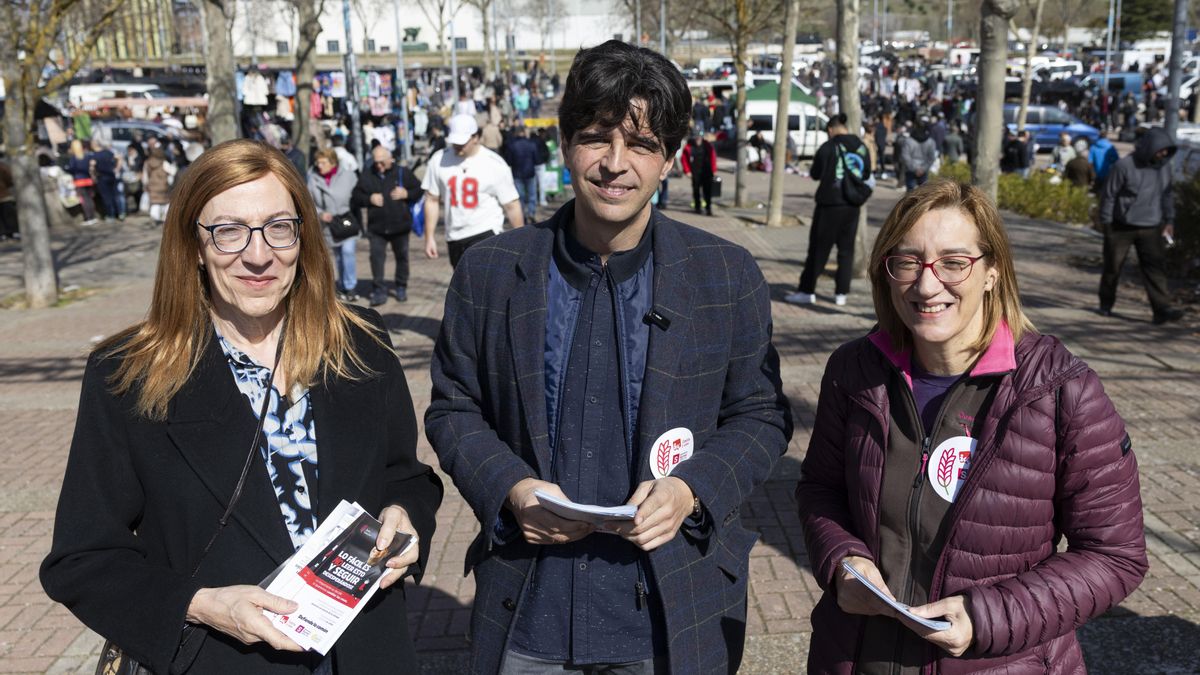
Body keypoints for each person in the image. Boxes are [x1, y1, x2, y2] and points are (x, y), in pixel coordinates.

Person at [425, 40, 792, 675]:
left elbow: (761, 415)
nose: (615, 164)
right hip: (529, 612)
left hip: (670, 614)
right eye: (597, 137)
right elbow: (453, 408)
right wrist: (509, 487)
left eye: (642, 145)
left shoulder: (725, 275)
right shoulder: (489, 271)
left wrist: (692, 490)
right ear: (565, 143)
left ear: (670, 159)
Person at [40, 139, 443, 674]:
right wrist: (200, 605)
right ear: (193, 245)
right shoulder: (128, 375)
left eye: (279, 227)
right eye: (229, 231)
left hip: (368, 654)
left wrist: (407, 518)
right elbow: (83, 559)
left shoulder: (360, 340)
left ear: (303, 235)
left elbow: (404, 477)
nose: (258, 255)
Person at [797, 179, 1148, 674]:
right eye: (907, 261)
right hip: (855, 657)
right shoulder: (854, 371)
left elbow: (1116, 554)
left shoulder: (1060, 389)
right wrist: (841, 560)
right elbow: (820, 489)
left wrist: (988, 617)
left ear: (991, 272)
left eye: (953, 262)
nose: (926, 285)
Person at [1098, 127, 1184, 324]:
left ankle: (1162, 309)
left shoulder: (1163, 169)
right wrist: (1106, 223)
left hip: (1151, 226)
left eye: (1166, 151)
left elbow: (1167, 195)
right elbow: (1108, 196)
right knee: (1112, 267)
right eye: (1160, 149)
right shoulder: (1124, 166)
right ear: (1150, 147)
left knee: (1155, 269)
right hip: (1121, 226)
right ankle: (1106, 304)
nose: (1163, 154)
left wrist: (1169, 220)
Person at [785, 113, 872, 307]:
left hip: (829, 205)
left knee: (818, 249)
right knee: (846, 250)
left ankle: (807, 290)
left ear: (831, 130)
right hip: (853, 205)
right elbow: (866, 173)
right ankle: (841, 293)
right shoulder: (861, 147)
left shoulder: (828, 147)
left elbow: (816, 173)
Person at [421, 113, 524, 268]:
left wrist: (522, 241)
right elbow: (432, 200)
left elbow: (511, 205)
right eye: (455, 142)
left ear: (476, 137)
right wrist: (429, 237)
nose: (458, 147)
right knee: (463, 282)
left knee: (484, 280)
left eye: (462, 142)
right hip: (454, 236)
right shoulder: (438, 160)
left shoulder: (494, 163)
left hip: (486, 232)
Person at [353, 146, 424, 306]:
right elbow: (356, 196)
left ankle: (401, 285)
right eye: (376, 162)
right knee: (376, 259)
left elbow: (419, 189)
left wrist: (407, 193)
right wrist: (369, 199)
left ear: (390, 159)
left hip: (400, 226)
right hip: (377, 227)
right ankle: (379, 289)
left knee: (402, 257)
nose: (379, 166)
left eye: (382, 162)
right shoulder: (368, 174)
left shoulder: (402, 172)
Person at [308, 148, 360, 302]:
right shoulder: (313, 179)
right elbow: (309, 202)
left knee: (347, 251)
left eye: (323, 163)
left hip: (346, 221)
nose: (319, 166)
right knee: (338, 255)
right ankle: (342, 285)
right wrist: (320, 213)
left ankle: (351, 286)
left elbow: (358, 196)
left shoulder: (348, 176)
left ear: (333, 163)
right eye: (318, 163)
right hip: (328, 224)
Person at [504, 124, 541, 224]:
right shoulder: (531, 144)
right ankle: (531, 213)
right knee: (532, 195)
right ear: (524, 133)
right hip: (530, 172)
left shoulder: (512, 145)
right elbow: (537, 159)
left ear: (516, 133)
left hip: (517, 173)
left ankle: (523, 215)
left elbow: (509, 161)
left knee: (520, 196)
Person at [681, 132, 716, 215]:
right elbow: (684, 159)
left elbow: (713, 157)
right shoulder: (689, 146)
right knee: (696, 190)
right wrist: (687, 171)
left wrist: (714, 170)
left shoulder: (707, 146)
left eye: (699, 138)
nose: (698, 140)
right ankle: (697, 207)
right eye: (696, 138)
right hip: (695, 172)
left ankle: (708, 208)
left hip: (707, 171)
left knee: (707, 190)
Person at [66, 139, 98, 226]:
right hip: (88, 180)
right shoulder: (87, 156)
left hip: (79, 181)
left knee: (84, 200)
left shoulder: (73, 158)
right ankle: (93, 216)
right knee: (90, 199)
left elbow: (71, 169)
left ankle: (88, 218)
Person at [91, 138, 123, 221]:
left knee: (106, 197)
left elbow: (92, 167)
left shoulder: (94, 155)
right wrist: (117, 169)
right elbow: (119, 158)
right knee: (115, 195)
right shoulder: (108, 152)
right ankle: (120, 213)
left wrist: (93, 176)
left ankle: (111, 215)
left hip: (102, 178)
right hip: (112, 176)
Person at [143, 145, 175, 227]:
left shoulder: (147, 163)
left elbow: (145, 176)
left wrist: (145, 185)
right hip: (163, 186)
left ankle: (154, 218)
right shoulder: (164, 163)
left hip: (152, 186)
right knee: (165, 202)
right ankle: (164, 218)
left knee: (154, 203)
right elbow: (172, 172)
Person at [900, 122, 938, 191]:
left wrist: (915, 168)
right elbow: (931, 158)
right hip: (923, 169)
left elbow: (905, 156)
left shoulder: (908, 140)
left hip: (911, 168)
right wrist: (922, 169)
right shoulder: (931, 142)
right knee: (923, 193)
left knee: (910, 193)